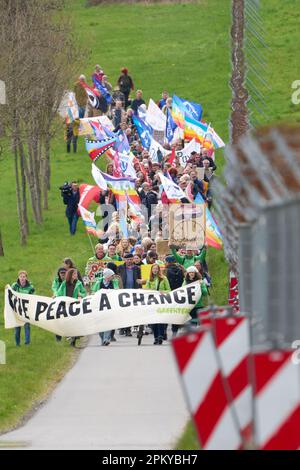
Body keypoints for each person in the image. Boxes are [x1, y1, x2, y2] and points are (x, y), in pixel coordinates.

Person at [56, 268, 87, 347]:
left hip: (75, 306)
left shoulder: (79, 283)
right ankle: (69, 337)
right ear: (70, 275)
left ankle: (73, 342)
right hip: (66, 306)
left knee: (74, 323)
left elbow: (84, 293)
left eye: (76, 274)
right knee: (66, 323)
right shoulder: (64, 283)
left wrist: (80, 295)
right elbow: (59, 294)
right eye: (74, 274)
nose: (76, 275)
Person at [118, 253, 144, 336]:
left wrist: (140, 287)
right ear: (125, 260)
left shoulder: (136, 268)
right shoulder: (120, 268)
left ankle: (128, 329)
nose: (129, 261)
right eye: (127, 259)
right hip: (123, 292)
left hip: (134, 292)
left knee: (131, 311)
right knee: (123, 311)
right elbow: (117, 279)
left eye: (131, 259)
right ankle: (123, 328)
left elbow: (139, 279)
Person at [145, 264, 170, 345]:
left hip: (162, 301)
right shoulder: (149, 279)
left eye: (156, 269)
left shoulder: (164, 278)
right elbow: (146, 290)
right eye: (153, 269)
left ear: (159, 270)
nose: (155, 270)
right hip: (153, 302)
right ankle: (156, 337)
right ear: (151, 270)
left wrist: (163, 292)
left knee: (161, 320)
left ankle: (160, 335)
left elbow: (169, 290)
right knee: (154, 320)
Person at [11, 271, 35, 346]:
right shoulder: (14, 285)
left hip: (26, 310)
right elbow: (10, 294)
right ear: (18, 277)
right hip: (17, 310)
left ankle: (27, 343)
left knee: (27, 326)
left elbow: (33, 297)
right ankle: (17, 344)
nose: (22, 278)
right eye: (21, 276)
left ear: (26, 278)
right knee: (17, 328)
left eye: (24, 277)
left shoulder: (30, 287)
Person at [93, 268, 115, 346]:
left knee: (108, 322)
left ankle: (106, 339)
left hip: (110, 306)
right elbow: (94, 292)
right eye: (112, 276)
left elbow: (117, 291)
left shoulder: (113, 282)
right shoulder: (98, 283)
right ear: (107, 276)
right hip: (99, 306)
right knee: (100, 324)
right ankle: (103, 339)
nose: (113, 277)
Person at [165, 255, 185, 337]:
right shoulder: (180, 270)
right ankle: (174, 331)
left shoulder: (166, 271)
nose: (164, 263)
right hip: (179, 294)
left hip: (168, 295)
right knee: (175, 314)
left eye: (166, 261)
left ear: (169, 262)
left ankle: (164, 332)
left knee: (165, 314)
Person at [51, 267, 67, 342]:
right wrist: (56, 295)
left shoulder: (68, 281)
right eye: (61, 273)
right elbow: (54, 289)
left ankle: (69, 336)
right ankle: (58, 338)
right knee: (57, 319)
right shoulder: (56, 281)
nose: (63, 275)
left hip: (67, 302)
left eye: (64, 273)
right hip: (58, 302)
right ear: (59, 274)